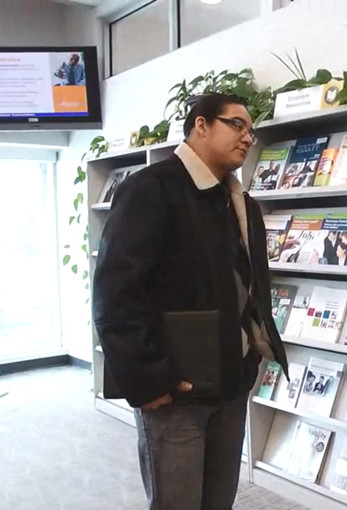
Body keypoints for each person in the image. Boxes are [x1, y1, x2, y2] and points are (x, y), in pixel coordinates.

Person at [92, 93, 288, 510]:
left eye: (251, 130)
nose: (247, 137)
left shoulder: (242, 205)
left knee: (219, 501)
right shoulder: (151, 189)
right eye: (237, 124)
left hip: (232, 383)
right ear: (201, 125)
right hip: (175, 391)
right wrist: (146, 380)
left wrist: (253, 356)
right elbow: (116, 292)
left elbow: (248, 287)